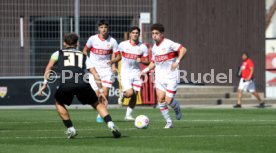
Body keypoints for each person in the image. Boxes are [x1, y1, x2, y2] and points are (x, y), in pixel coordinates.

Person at [38, 33, 121, 138]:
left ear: (64, 43)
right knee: (96, 103)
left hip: (66, 84)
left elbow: (49, 68)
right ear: (77, 44)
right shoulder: (84, 55)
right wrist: (100, 90)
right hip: (82, 84)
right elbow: (95, 73)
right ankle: (111, 124)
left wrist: (45, 83)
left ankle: (70, 129)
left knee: (58, 102)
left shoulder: (57, 54)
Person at [140, 23, 187, 128]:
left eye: (156, 33)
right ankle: (169, 122)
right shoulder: (154, 48)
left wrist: (177, 61)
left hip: (171, 76)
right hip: (160, 77)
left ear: (161, 34)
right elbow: (153, 62)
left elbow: (183, 50)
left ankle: (177, 108)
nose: (154, 35)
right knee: (160, 99)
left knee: (168, 100)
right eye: (152, 33)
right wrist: (145, 70)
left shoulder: (168, 43)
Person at [83, 20, 118, 123]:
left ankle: (101, 114)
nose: (103, 29)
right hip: (94, 70)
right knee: (98, 94)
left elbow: (118, 55)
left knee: (105, 92)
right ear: (99, 28)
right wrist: (87, 60)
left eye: (105, 27)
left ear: (108, 28)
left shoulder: (112, 41)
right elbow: (85, 50)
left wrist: (113, 62)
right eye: (101, 27)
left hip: (107, 71)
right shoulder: (92, 39)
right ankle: (102, 111)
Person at [112, 26, 149, 120]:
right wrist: (113, 64)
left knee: (134, 95)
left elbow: (148, 61)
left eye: (137, 33)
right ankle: (123, 94)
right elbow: (117, 56)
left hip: (137, 73)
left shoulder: (143, 47)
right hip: (125, 73)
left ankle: (128, 115)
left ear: (139, 34)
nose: (135, 34)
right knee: (130, 93)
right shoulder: (123, 45)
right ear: (130, 34)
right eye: (133, 33)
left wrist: (140, 59)